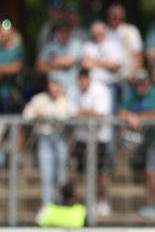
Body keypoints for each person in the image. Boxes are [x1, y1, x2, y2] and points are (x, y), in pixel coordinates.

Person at [118, 69, 155, 219]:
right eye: (138, 84)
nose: (141, 87)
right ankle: (152, 203)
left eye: (143, 83)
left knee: (152, 172)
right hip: (142, 142)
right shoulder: (133, 96)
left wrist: (136, 117)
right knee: (147, 173)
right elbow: (120, 112)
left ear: (148, 82)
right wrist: (130, 116)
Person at [71, 68, 114, 217]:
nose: (82, 82)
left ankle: (102, 201)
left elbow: (100, 114)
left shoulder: (101, 90)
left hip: (100, 138)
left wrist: (83, 112)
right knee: (81, 172)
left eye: (84, 78)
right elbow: (72, 113)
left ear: (89, 78)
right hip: (83, 138)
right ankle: (87, 202)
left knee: (101, 172)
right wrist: (88, 112)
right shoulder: (74, 91)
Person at [22, 79, 70, 208]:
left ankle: (61, 205)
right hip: (45, 139)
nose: (54, 89)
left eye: (57, 85)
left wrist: (47, 114)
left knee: (61, 175)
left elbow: (65, 116)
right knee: (46, 175)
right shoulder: (40, 99)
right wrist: (37, 114)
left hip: (60, 139)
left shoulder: (66, 99)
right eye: (52, 85)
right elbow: (26, 115)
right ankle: (47, 206)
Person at [36, 20, 82, 104]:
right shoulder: (49, 45)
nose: (64, 34)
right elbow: (39, 67)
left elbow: (69, 61)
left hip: (72, 90)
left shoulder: (76, 44)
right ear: (57, 32)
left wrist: (50, 62)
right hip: (53, 90)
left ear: (71, 32)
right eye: (61, 31)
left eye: (66, 31)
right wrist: (61, 62)